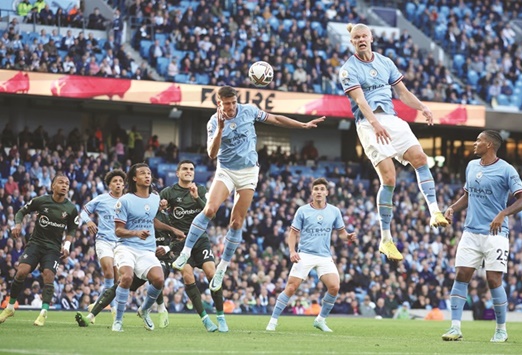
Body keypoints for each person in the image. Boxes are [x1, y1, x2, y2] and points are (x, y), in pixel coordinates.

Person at [171, 86, 325, 293]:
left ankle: (222, 269)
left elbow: (276, 119)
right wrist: (220, 129)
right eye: (227, 103)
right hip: (226, 170)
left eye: (234, 102)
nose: (231, 107)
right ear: (219, 103)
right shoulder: (213, 122)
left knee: (237, 222)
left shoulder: (249, 111)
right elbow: (211, 153)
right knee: (209, 210)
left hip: (248, 172)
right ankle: (185, 253)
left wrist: (303, 125)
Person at [339, 23, 449, 262]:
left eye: (364, 36)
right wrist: (375, 124)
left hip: (391, 118)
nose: (361, 40)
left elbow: (402, 92)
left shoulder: (385, 62)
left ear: (371, 38)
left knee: (420, 157)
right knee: (389, 178)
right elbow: (360, 101)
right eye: (356, 37)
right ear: (352, 42)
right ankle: (386, 239)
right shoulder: (348, 69)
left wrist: (422, 107)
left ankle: (435, 211)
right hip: (368, 124)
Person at [440, 130, 522, 342]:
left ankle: (501, 330)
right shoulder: (471, 166)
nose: (475, 143)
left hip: (495, 234)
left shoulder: (506, 170)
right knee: (461, 275)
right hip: (470, 232)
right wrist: (452, 208)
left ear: (489, 145)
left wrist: (503, 213)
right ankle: (455, 327)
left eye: (479, 140)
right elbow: (468, 195)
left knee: (493, 279)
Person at [265, 178, 356, 332]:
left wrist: (347, 237)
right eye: (316, 189)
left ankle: (320, 320)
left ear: (327, 192)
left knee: (334, 287)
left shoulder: (334, 211)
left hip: (324, 256)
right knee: (291, 287)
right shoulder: (302, 210)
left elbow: (341, 233)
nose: (319, 192)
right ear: (312, 192)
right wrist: (292, 251)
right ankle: (273, 321)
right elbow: (293, 233)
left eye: (321, 189)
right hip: (305, 254)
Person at [75, 208, 183, 329]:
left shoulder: (166, 218)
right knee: (120, 284)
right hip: (142, 255)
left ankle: (157, 309)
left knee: (158, 276)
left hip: (162, 258)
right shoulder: (135, 214)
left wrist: (167, 248)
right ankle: (90, 317)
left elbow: (179, 237)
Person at [110, 163, 182, 332]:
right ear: (134, 178)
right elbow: (118, 230)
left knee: (158, 279)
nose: (147, 176)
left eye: (149, 173)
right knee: (126, 278)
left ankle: (144, 310)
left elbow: (152, 221)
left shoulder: (155, 198)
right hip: (126, 247)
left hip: (146, 250)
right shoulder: (125, 200)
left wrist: (172, 229)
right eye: (142, 173)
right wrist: (136, 233)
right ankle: (118, 321)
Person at [0, 173, 79, 326]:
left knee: (48, 275)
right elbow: (21, 211)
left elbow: (72, 229)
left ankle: (43, 313)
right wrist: (17, 224)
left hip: (53, 248)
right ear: (53, 186)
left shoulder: (70, 208)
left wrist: (67, 245)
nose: (64, 185)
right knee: (21, 271)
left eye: (67, 184)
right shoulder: (41, 201)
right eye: (61, 182)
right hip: (35, 243)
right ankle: (10, 307)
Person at [159, 160, 224, 331]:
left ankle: (221, 317)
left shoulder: (200, 190)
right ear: (178, 173)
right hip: (180, 242)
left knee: (212, 273)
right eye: (185, 169)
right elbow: (156, 216)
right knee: (188, 277)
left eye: (191, 169)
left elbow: (211, 214)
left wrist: (196, 198)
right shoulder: (168, 192)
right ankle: (205, 319)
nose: (188, 171)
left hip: (200, 239)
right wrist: (162, 207)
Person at [79, 169, 126, 321]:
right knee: (108, 273)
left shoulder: (128, 201)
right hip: (104, 240)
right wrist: (89, 221)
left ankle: (98, 304)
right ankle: (112, 310)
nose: (118, 183)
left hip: (121, 243)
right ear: (109, 185)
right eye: (115, 181)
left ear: (124, 185)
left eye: (120, 181)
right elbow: (83, 212)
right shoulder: (101, 199)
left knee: (117, 282)